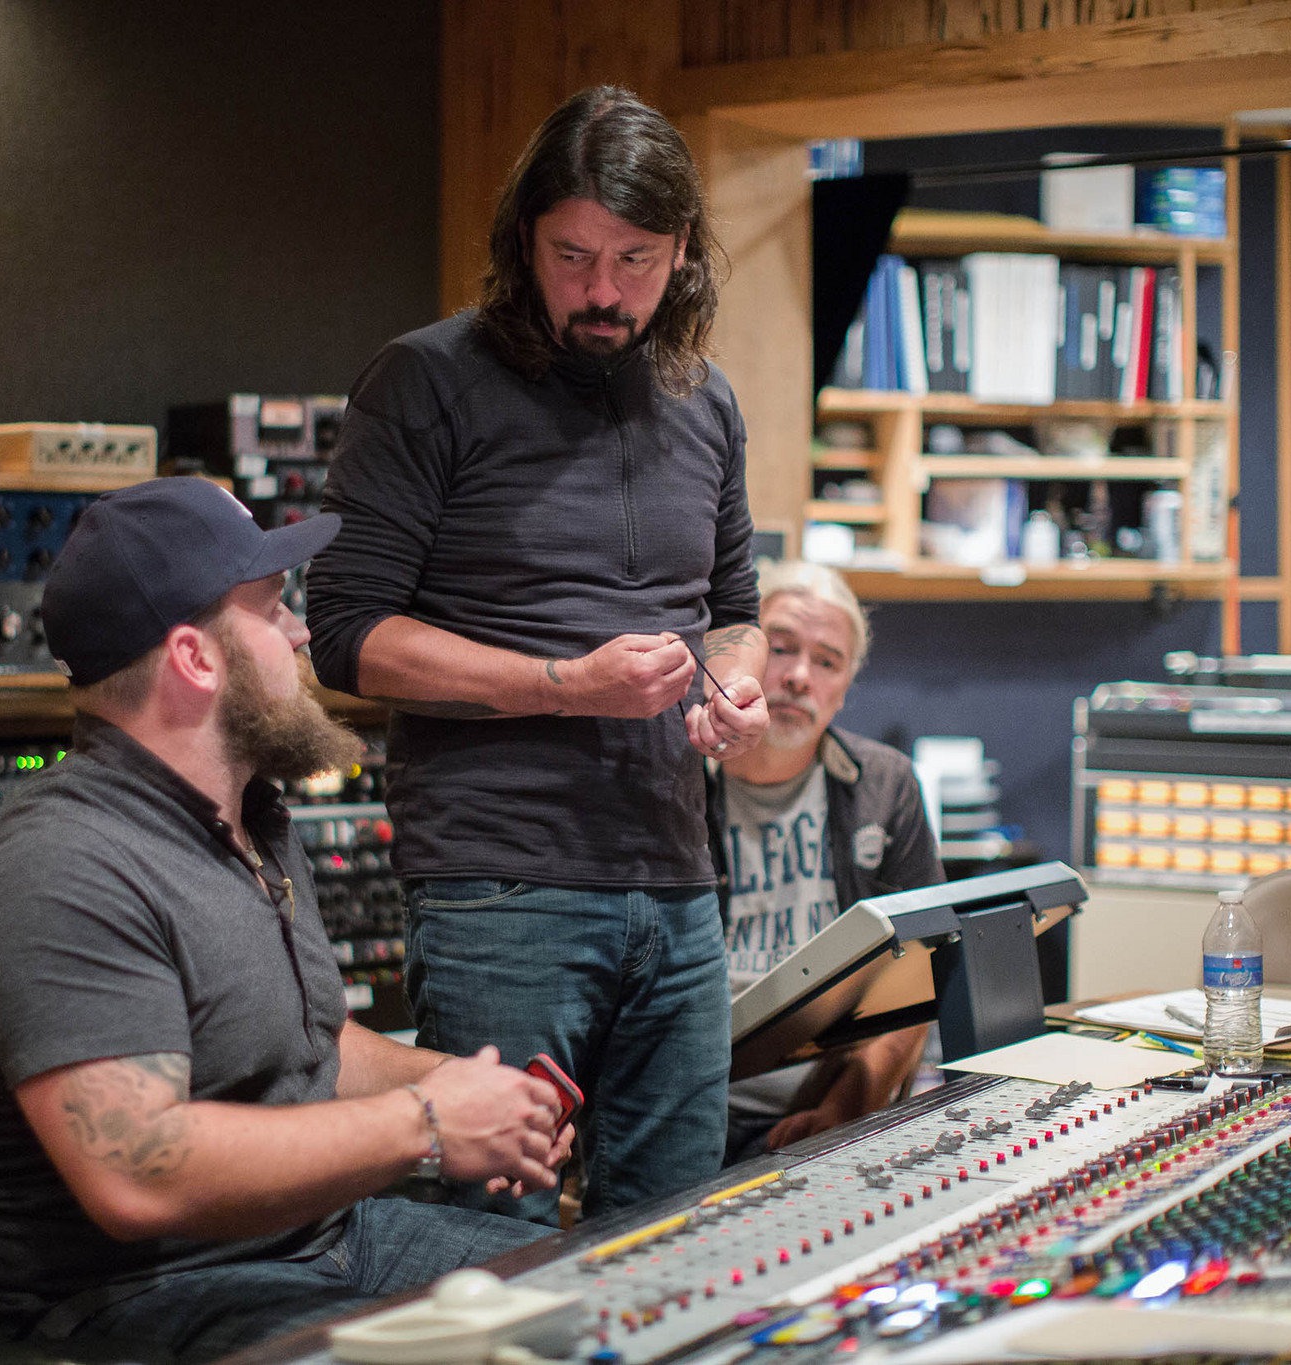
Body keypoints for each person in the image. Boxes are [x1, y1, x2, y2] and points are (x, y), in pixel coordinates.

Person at [0, 478, 574, 1363]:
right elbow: (135, 1169)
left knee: (615, 1291)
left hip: (322, 1243)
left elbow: (308, 1045)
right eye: (275, 611)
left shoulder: (248, 819)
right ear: (197, 659)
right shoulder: (62, 862)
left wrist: (477, 1090)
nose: (302, 632)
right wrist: (426, 1124)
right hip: (135, 1306)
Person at [304, 84, 769, 1226]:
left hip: (676, 883)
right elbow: (346, 636)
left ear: (682, 256)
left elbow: (735, 611)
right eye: (571, 255)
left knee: (674, 1239)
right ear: (523, 242)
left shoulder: (703, 399)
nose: (603, 291)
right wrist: (563, 686)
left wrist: (738, 680)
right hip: (500, 883)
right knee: (489, 1246)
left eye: (635, 257)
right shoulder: (424, 381)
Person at [708, 561, 941, 1163]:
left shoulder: (885, 786)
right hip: (690, 1107)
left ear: (845, 686)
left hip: (830, 1101)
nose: (798, 677)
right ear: (736, 657)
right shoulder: (675, 780)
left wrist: (846, 1110)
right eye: (779, 649)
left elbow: (921, 976)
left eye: (827, 661)